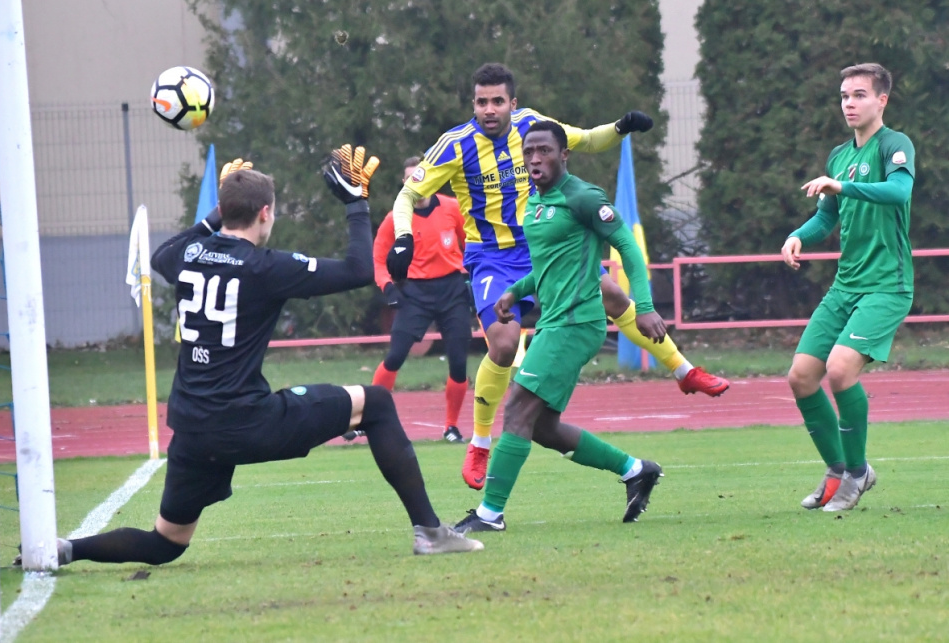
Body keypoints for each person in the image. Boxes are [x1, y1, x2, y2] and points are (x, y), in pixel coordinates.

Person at [53, 148, 483, 566]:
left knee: (166, 543)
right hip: (247, 422)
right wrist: (356, 204)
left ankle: (67, 549)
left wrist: (218, 212)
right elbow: (358, 270)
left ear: (225, 210)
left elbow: (163, 255)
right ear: (264, 213)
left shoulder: (187, 255)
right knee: (377, 403)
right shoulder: (264, 267)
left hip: (193, 428)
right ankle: (430, 533)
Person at [385, 62, 729, 491]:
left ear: (512, 103)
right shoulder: (455, 145)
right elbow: (407, 195)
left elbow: (585, 140)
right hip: (492, 258)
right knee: (504, 344)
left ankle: (684, 372)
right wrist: (404, 237)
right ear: (473, 103)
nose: (489, 109)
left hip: (543, 245)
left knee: (613, 296)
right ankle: (479, 442)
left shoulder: (532, 127)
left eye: (497, 101)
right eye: (481, 102)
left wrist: (621, 127)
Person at [454, 121, 663, 534]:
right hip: (553, 321)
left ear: (564, 154)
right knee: (542, 427)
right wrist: (515, 292)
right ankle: (636, 470)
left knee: (516, 407)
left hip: (576, 321)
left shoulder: (583, 197)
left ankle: (490, 514)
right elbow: (549, 265)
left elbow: (627, 247)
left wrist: (644, 306)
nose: (535, 158)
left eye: (544, 151)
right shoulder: (535, 202)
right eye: (529, 151)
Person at [781, 63, 915, 512]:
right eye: (844, 96)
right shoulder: (839, 156)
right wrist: (798, 235)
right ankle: (838, 470)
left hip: (886, 286)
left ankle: (858, 473)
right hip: (845, 287)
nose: (849, 104)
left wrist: (844, 185)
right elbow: (826, 217)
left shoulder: (895, 145)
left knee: (840, 371)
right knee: (801, 377)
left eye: (859, 95)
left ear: (882, 100)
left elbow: (898, 192)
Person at [345, 156, 472, 443]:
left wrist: (475, 276)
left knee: (458, 363)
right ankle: (366, 418)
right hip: (415, 294)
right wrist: (388, 287)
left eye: (423, 176)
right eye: (412, 178)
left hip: (452, 291)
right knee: (395, 356)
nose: (419, 183)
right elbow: (378, 259)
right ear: (404, 183)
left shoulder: (452, 208)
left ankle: (451, 427)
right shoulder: (396, 217)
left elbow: (472, 244)